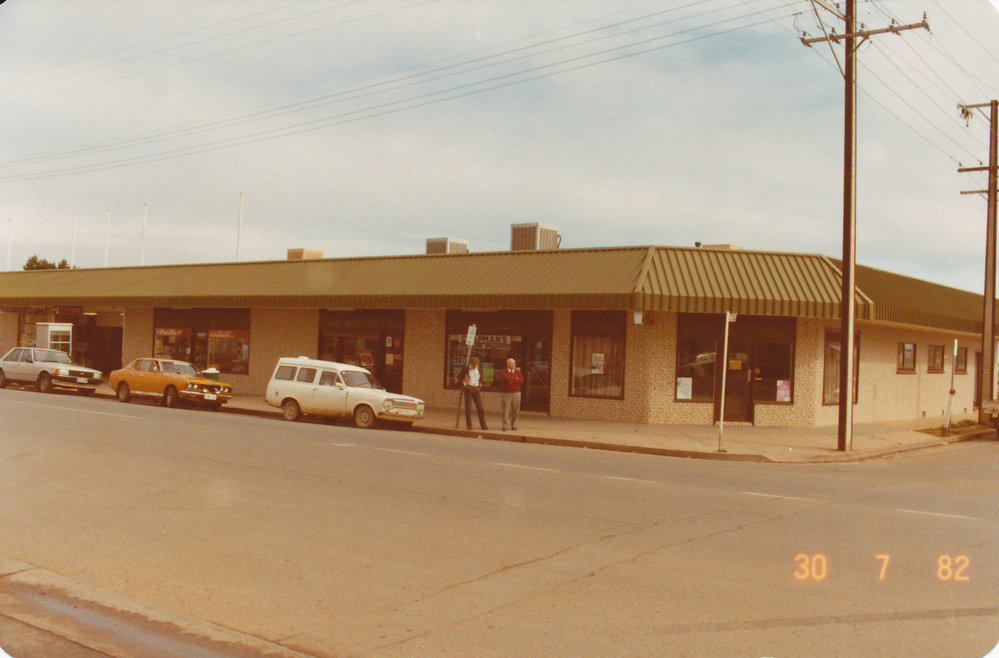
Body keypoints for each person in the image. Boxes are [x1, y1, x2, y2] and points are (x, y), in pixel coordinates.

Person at [459, 356, 488, 430]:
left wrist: (480, 385)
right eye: (473, 365)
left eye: (476, 365)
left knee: (480, 407)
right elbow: (460, 377)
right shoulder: (466, 369)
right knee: (468, 407)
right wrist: (464, 385)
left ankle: (483, 425)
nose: (475, 366)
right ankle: (469, 425)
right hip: (468, 388)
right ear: (471, 364)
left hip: (476, 388)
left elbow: (481, 377)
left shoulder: (479, 369)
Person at [496, 357, 524, 431]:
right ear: (508, 364)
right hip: (506, 393)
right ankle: (505, 426)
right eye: (512, 363)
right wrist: (515, 379)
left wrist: (512, 380)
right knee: (506, 410)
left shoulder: (518, 372)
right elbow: (506, 379)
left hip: (516, 393)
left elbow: (521, 381)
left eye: (514, 363)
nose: (513, 365)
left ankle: (514, 425)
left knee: (516, 410)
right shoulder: (504, 372)